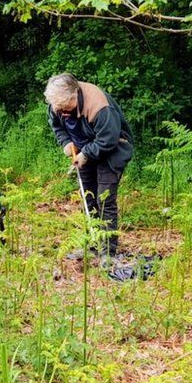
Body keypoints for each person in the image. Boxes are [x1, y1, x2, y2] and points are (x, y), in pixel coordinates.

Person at [44, 74, 133, 257]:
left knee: (104, 200)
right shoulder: (57, 104)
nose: (61, 111)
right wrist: (66, 142)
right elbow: (56, 126)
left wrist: (86, 154)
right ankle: (92, 245)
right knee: (89, 199)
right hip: (85, 150)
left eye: (64, 107)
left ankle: (108, 252)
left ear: (74, 95)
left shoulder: (99, 106)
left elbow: (109, 139)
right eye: (57, 108)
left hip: (113, 150)